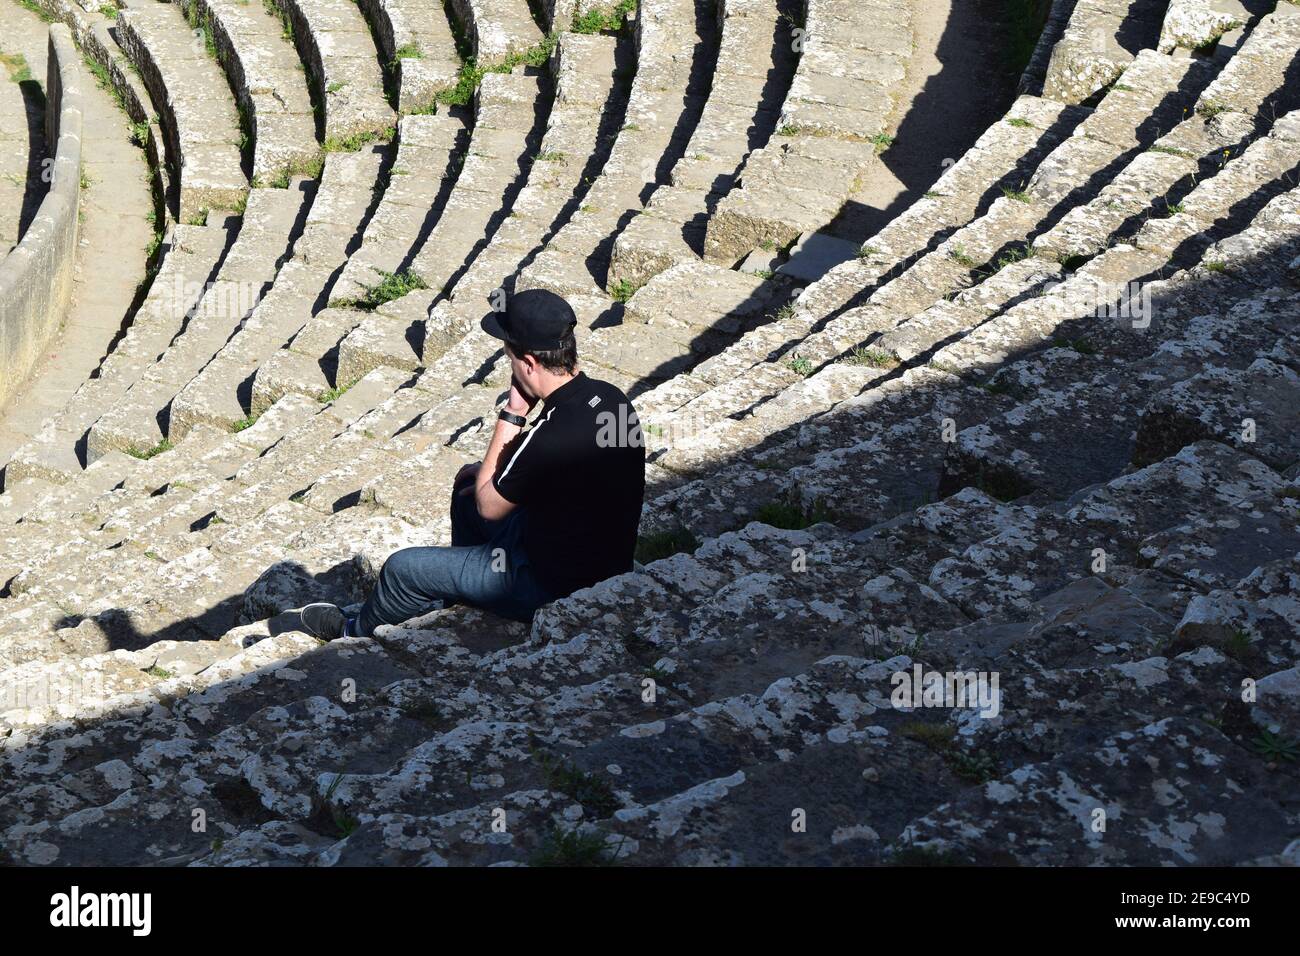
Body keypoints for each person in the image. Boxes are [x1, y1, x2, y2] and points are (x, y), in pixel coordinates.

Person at [299, 288, 647, 640]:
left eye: (510, 358)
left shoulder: (550, 435)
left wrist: (513, 413)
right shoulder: (610, 398)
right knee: (468, 487)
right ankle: (458, 599)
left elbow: (490, 507)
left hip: (548, 581)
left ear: (529, 363)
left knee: (402, 569)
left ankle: (352, 631)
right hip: (600, 557)